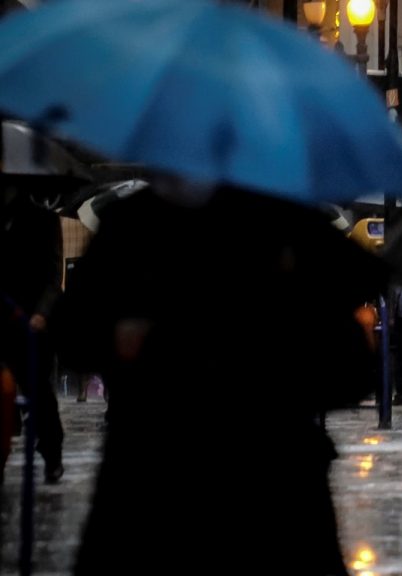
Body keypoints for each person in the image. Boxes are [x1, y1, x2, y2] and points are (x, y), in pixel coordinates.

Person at [53, 183, 380, 575]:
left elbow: (349, 370)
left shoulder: (136, 222)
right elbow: (74, 337)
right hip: (175, 473)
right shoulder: (293, 225)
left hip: (230, 477)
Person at [0, 186, 65, 483]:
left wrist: (41, 313)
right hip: (2, 317)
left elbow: (53, 276)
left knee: (39, 392)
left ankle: (52, 452)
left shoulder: (45, 220)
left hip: (31, 321)